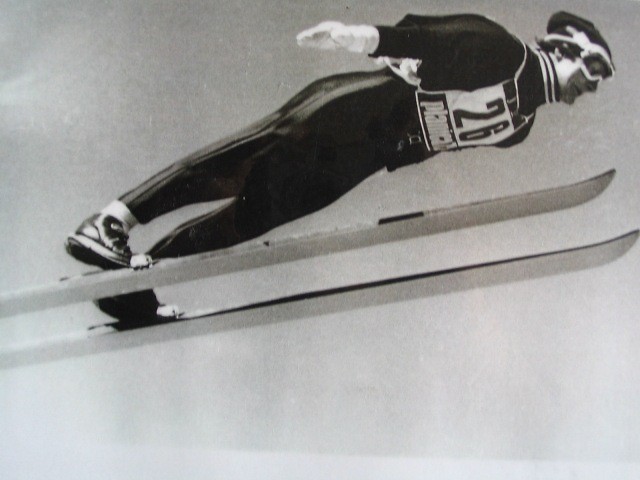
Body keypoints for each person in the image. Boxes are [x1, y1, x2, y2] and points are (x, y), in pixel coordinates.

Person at [65, 11, 615, 325]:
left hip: (366, 157)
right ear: (567, 50)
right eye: (592, 71)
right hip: (357, 109)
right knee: (244, 162)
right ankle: (111, 221)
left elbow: (438, 134)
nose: (588, 88)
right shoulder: (503, 51)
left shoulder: (519, 128)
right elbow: (425, 37)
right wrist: (362, 38)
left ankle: (145, 278)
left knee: (255, 216)